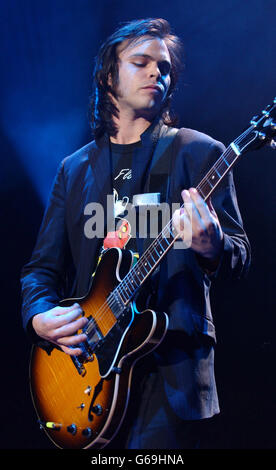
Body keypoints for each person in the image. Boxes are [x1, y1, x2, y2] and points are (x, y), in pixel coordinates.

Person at [20, 18, 250, 449]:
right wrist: (38, 317)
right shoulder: (75, 169)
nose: (155, 74)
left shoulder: (199, 152)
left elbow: (240, 256)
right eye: (141, 62)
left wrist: (212, 246)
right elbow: (40, 269)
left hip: (171, 375)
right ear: (109, 76)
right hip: (87, 370)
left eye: (164, 68)